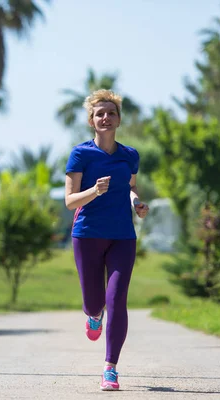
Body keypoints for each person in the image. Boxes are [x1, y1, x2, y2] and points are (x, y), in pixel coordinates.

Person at [64, 89, 149, 391]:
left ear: (118, 119)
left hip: (122, 236)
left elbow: (130, 187)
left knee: (117, 300)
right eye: (100, 113)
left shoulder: (129, 156)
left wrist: (136, 202)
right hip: (87, 235)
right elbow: (70, 201)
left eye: (111, 113)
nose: (105, 117)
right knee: (95, 302)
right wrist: (94, 192)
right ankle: (92, 315)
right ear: (92, 120)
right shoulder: (81, 154)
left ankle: (110, 368)